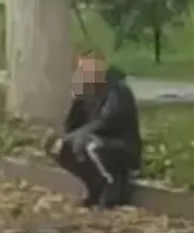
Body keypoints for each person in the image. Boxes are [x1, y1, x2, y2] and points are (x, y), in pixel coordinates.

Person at [46, 55, 142, 208]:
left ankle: (113, 191)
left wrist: (80, 136)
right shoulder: (87, 92)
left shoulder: (117, 90)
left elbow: (109, 121)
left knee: (91, 146)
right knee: (58, 147)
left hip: (119, 146)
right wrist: (76, 102)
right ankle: (94, 186)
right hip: (91, 141)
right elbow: (71, 127)